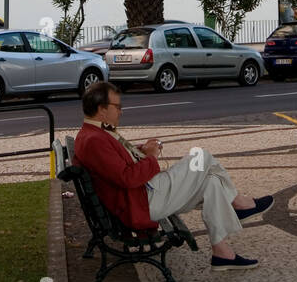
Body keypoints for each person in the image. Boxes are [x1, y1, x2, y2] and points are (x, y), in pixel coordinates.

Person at [73, 81, 272, 270]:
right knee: (201, 156)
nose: (121, 111)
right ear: (101, 109)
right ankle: (240, 204)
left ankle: (222, 253)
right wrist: (151, 156)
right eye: (117, 106)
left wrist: (140, 150)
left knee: (211, 182)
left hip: (145, 195)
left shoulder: (94, 133)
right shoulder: (94, 140)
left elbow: (117, 166)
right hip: (144, 200)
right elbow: (127, 178)